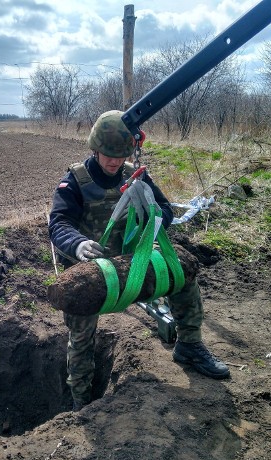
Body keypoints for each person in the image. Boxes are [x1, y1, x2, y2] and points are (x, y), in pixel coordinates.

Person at [48, 110, 230, 412]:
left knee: (181, 275)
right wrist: (77, 243)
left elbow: (165, 211)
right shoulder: (75, 182)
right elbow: (58, 224)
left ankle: (190, 346)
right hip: (91, 271)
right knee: (81, 335)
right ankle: (81, 399)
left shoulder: (135, 175)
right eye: (108, 154)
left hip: (132, 261)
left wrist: (149, 212)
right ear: (95, 148)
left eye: (120, 155)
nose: (114, 161)